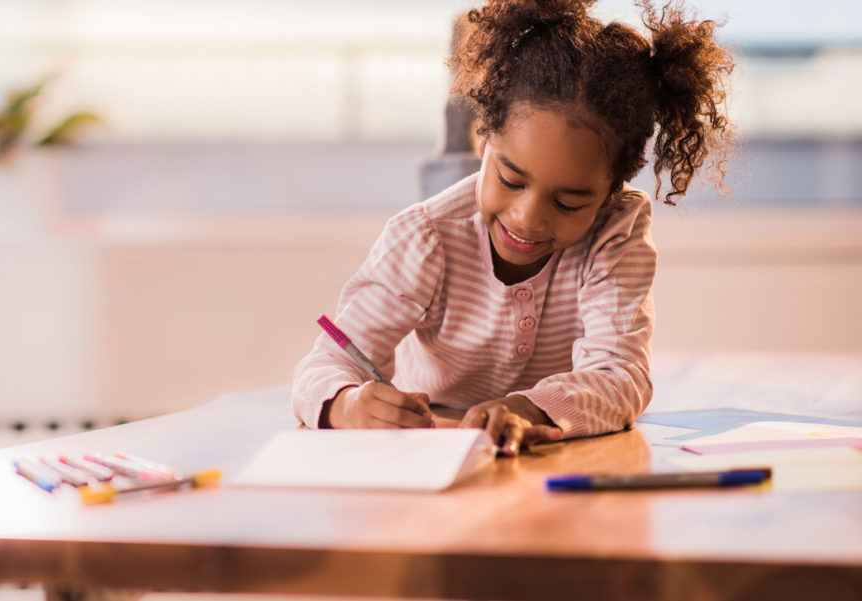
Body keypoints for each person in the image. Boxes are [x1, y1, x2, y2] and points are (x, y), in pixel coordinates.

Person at [293, 0, 735, 455]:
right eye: (511, 179)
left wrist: (530, 409)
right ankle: (460, 124)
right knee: (454, 182)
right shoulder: (424, 237)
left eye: (568, 202)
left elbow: (620, 377)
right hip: (436, 435)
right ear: (487, 137)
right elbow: (322, 367)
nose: (529, 218)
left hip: (530, 439)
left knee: (490, 200)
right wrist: (346, 404)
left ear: (610, 190)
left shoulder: (615, 232)